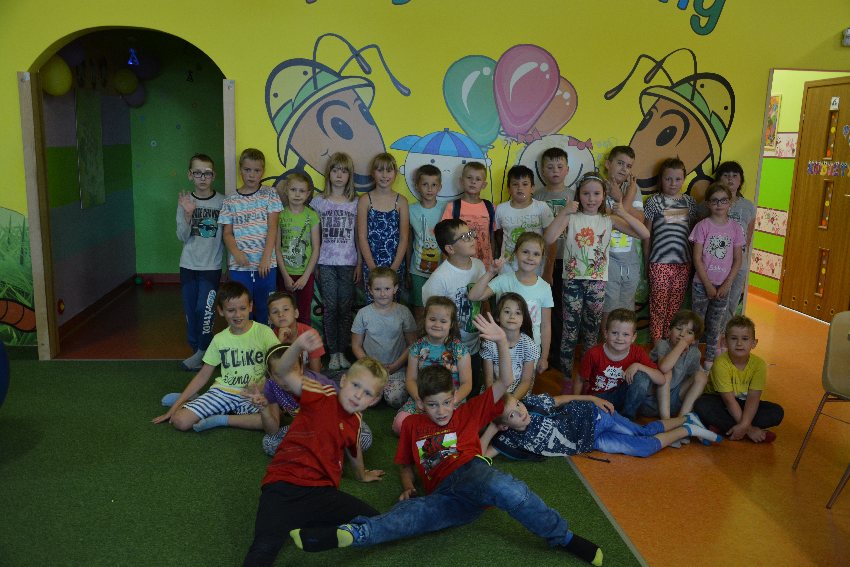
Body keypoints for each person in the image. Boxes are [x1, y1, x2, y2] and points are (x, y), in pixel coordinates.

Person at [290, 314, 604, 567]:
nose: (441, 411)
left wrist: (500, 342)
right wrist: (408, 487)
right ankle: (351, 533)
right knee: (412, 516)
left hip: (471, 472)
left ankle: (563, 537)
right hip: (446, 496)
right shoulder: (412, 424)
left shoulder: (468, 412)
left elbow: (506, 381)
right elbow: (405, 465)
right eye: (433, 405)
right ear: (421, 403)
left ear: (454, 397)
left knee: (510, 491)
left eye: (445, 402)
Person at [242, 330, 388, 567]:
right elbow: (283, 371)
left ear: (373, 401)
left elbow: (353, 450)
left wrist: (362, 475)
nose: (358, 395)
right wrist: (298, 344)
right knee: (264, 547)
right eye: (355, 385)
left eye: (367, 393)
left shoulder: (356, 420)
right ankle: (308, 526)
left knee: (374, 520)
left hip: (321, 493)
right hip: (282, 486)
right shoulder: (322, 394)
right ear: (343, 381)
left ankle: (317, 536)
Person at [544, 173, 649, 389]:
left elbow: (644, 233)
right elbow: (548, 238)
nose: (591, 199)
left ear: (603, 196)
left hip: (597, 283)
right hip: (572, 282)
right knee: (570, 332)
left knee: (591, 333)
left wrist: (623, 212)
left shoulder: (608, 219)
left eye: (596, 194)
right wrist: (564, 211)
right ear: (578, 195)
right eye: (586, 194)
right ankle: (566, 378)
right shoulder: (572, 217)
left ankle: (587, 377)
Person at [152, 281, 279, 432]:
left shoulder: (264, 332)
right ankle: (192, 400)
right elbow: (202, 376)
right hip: (224, 391)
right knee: (180, 421)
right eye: (231, 310)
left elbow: (277, 368)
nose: (238, 315)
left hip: (255, 393)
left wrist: (262, 388)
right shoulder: (219, 339)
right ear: (221, 311)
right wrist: (174, 407)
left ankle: (220, 419)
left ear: (250, 306)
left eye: (243, 308)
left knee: (271, 423)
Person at [482, 390, 720, 461]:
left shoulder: (532, 404)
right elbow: (481, 455)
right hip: (592, 441)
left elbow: (562, 399)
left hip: (595, 416)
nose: (521, 412)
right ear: (505, 426)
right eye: (512, 415)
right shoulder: (510, 438)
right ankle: (689, 429)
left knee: (642, 431)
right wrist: (493, 427)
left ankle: (686, 418)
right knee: (645, 448)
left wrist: (593, 398)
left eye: (518, 405)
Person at [250, 341, 373, 457]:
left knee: (364, 438)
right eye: (279, 374)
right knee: (269, 442)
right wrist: (264, 410)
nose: (286, 378)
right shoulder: (271, 386)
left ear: (301, 368)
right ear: (270, 375)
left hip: (336, 425)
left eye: (292, 370)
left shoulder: (316, 383)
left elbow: (341, 417)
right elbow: (272, 431)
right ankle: (321, 453)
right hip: (306, 429)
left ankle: (315, 453)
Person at [468, 231, 553, 374]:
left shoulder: (544, 288)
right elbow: (474, 296)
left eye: (536, 254)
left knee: (525, 384)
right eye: (525, 252)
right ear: (516, 253)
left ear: (542, 258)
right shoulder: (504, 280)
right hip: (501, 346)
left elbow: (546, 325)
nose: (530, 257)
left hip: (530, 349)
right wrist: (491, 272)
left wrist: (544, 357)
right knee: (498, 382)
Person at [694, 315, 784, 443]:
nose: (739, 343)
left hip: (743, 404)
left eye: (745, 339)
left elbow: (753, 398)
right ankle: (750, 432)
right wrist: (750, 429)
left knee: (776, 412)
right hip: (720, 401)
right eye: (734, 338)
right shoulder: (721, 363)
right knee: (702, 405)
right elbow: (729, 400)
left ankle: (725, 427)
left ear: (754, 343)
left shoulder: (759, 365)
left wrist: (745, 423)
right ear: (725, 342)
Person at [219, 148, 283, 325]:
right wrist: (236, 253)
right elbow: (227, 233)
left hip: (265, 265)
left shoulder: (270, 194)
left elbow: (273, 228)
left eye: (257, 170)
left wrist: (266, 258)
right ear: (240, 170)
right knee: (241, 311)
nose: (252, 175)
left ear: (263, 171)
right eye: (247, 170)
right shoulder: (230, 200)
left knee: (265, 309)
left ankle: (264, 342)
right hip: (240, 267)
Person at [422, 218, 486, 390]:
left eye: (470, 233)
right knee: (450, 390)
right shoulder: (439, 279)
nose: (472, 239)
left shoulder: (479, 266)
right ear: (450, 249)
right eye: (464, 237)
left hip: (474, 345)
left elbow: (483, 301)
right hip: (449, 350)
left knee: (473, 388)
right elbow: (431, 320)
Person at [393, 295, 472, 434]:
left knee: (465, 427)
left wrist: (453, 400)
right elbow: (411, 379)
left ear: (451, 324)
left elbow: (467, 383)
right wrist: (419, 399)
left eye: (443, 321)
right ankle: (432, 430)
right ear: (425, 319)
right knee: (399, 424)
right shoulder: (416, 348)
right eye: (432, 319)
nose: (437, 324)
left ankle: (432, 430)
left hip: (451, 401)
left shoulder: (459, 349)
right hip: (423, 398)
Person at [312, 152, 360, 370]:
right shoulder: (318, 202)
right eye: (335, 170)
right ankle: (333, 353)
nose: (339, 175)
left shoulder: (356, 202)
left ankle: (343, 351)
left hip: (348, 262)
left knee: (345, 308)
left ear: (350, 175)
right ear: (328, 173)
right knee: (330, 307)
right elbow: (314, 236)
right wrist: (315, 264)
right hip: (326, 262)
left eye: (344, 171)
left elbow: (358, 235)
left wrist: (359, 262)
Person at [176, 153, 224, 371]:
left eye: (207, 173)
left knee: (204, 310)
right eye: (198, 173)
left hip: (211, 267)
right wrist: (188, 215)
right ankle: (196, 350)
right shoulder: (185, 201)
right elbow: (182, 236)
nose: (203, 177)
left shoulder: (222, 202)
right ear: (190, 175)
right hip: (188, 266)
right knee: (190, 310)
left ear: (213, 176)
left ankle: (204, 350)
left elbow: (227, 235)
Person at [643, 158, 699, 344]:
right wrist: (647, 261)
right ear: (661, 179)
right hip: (659, 263)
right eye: (668, 179)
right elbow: (646, 235)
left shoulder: (690, 203)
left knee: (674, 310)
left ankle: (670, 346)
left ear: (684, 179)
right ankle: (657, 347)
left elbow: (694, 234)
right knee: (658, 308)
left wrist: (693, 265)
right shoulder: (654, 202)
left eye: (677, 179)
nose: (673, 183)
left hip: (683, 264)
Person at [689, 183, 744, 371]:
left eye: (723, 200)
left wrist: (727, 284)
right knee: (697, 324)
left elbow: (738, 259)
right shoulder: (702, 226)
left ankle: (710, 360)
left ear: (730, 202)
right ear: (708, 203)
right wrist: (707, 285)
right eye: (714, 201)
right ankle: (692, 359)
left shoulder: (735, 228)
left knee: (715, 326)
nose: (719, 204)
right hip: (701, 285)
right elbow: (697, 258)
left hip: (723, 287)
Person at [574, 308, 664, 419]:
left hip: (623, 397)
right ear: (606, 333)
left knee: (642, 377)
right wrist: (574, 403)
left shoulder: (638, 352)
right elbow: (580, 379)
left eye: (626, 334)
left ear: (633, 337)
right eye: (614, 333)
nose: (619, 338)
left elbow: (661, 379)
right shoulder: (593, 353)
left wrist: (638, 366)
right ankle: (614, 417)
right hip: (599, 398)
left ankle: (627, 419)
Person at [352, 267, 417, 408]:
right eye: (377, 289)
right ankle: (376, 390)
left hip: (397, 369)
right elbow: (356, 345)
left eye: (387, 289)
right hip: (371, 369)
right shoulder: (363, 314)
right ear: (370, 290)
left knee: (396, 399)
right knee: (363, 399)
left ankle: (384, 391)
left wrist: (396, 366)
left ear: (395, 288)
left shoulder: (404, 312)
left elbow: (412, 344)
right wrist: (371, 366)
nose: (382, 294)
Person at [532, 148, 572, 370]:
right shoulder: (537, 197)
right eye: (549, 167)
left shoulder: (575, 195)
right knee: (548, 309)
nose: (555, 171)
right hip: (545, 263)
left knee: (567, 310)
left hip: (571, 263)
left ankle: (563, 355)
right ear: (542, 170)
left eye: (559, 166)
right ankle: (548, 353)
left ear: (567, 169)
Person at [600, 146, 645, 335]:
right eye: (620, 163)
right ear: (608, 164)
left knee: (626, 310)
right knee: (607, 310)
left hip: (629, 262)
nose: (624, 169)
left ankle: (623, 347)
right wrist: (624, 201)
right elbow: (605, 219)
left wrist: (621, 199)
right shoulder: (598, 187)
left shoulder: (633, 189)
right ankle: (605, 346)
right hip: (606, 260)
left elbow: (639, 220)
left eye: (628, 166)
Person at [635, 310, 708, 420]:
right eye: (678, 329)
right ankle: (666, 421)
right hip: (651, 400)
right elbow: (664, 368)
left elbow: (692, 380)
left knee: (701, 376)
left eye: (689, 332)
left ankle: (682, 419)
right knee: (666, 373)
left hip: (674, 401)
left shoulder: (694, 353)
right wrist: (681, 345)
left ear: (694, 340)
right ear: (669, 332)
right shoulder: (662, 345)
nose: (682, 334)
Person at [358, 152, 409, 302]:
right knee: (373, 304)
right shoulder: (365, 200)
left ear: (395, 173)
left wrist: (394, 269)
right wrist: (372, 268)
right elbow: (362, 236)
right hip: (371, 262)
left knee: (393, 305)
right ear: (373, 173)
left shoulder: (401, 201)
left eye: (389, 170)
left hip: (395, 262)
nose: (384, 175)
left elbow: (404, 237)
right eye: (380, 170)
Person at [713, 161, 756, 323]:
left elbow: (748, 237)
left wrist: (742, 260)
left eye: (734, 175)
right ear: (718, 179)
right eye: (726, 175)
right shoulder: (710, 203)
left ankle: (725, 335)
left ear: (741, 180)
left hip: (739, 263)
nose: (730, 179)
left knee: (731, 303)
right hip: (715, 263)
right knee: (714, 302)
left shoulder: (748, 206)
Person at [275, 172, 320, 326]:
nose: (297, 194)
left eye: (302, 191)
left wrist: (305, 277)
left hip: (305, 275)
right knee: (284, 316)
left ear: (308, 194)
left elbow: (316, 248)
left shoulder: (312, 216)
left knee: (304, 315)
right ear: (286, 190)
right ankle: (286, 342)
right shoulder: (280, 215)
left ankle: (303, 342)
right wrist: (285, 276)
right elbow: (277, 248)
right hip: (285, 275)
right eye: (293, 190)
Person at [495, 165, 554, 276]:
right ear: (508, 188)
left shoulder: (542, 207)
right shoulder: (501, 209)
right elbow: (498, 235)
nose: (520, 188)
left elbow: (551, 240)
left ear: (532, 188)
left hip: (534, 269)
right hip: (507, 269)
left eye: (525, 184)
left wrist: (548, 271)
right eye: (515, 184)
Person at [480, 292, 539, 400]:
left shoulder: (529, 345)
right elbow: (489, 382)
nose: (512, 316)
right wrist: (501, 402)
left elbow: (525, 382)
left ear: (523, 319)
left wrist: (511, 401)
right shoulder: (489, 344)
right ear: (497, 317)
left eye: (518, 313)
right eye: (507, 312)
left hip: (518, 397)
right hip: (494, 395)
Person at [407, 164, 447, 320]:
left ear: (440, 187)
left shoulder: (446, 209)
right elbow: (408, 240)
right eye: (425, 184)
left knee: (439, 309)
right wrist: (408, 270)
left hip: (441, 271)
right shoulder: (411, 210)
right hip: (417, 270)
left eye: (434, 185)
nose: (429, 189)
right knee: (419, 309)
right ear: (417, 186)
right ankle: (419, 336)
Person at [441, 161, 496, 271]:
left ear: (484, 185)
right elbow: (445, 238)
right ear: (461, 181)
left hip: (485, 267)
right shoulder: (452, 207)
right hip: (459, 266)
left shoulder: (490, 207)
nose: (473, 182)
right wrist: (446, 267)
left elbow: (492, 236)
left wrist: (492, 261)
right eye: (469, 178)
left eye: (478, 179)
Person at [267, 291, 324, 373]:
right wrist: (279, 343)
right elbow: (273, 373)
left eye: (286, 309)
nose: (280, 314)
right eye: (275, 312)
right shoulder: (268, 337)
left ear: (296, 313)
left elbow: (316, 372)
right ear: (270, 319)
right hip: (282, 378)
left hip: (307, 378)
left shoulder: (310, 334)